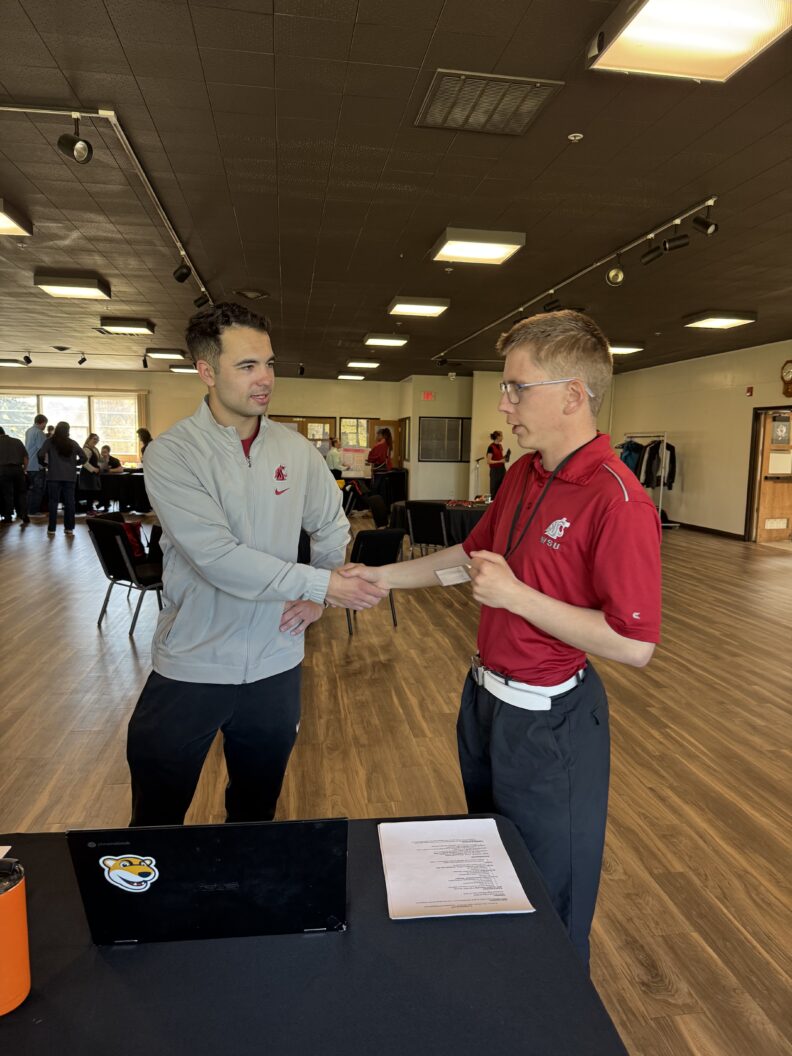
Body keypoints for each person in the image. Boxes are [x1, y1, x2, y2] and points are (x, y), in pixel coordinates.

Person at [340, 310, 662, 968]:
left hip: (549, 730)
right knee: (497, 869)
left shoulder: (617, 501)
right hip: (485, 704)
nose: (503, 402)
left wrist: (517, 596)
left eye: (517, 388)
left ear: (574, 394)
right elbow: (468, 557)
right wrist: (378, 577)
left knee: (552, 899)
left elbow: (635, 644)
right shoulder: (526, 474)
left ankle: (555, 1016)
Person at [126, 302, 387, 828]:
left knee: (256, 815)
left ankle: (243, 906)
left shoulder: (296, 450)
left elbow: (333, 527)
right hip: (192, 666)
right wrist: (325, 583)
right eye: (247, 366)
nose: (265, 378)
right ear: (207, 371)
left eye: (269, 363)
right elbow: (218, 559)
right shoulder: (173, 455)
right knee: (155, 821)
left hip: (275, 664)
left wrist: (316, 598)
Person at [37, 421, 86, 536]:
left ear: (57, 429)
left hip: (53, 476)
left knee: (53, 502)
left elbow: (40, 454)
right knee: (70, 502)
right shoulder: (73, 443)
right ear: (68, 431)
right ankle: (69, 528)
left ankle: (51, 528)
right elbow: (84, 457)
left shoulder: (49, 442)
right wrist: (76, 463)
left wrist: (45, 464)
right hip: (70, 477)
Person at [0, 426, 29, 525]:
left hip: (3, 470)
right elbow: (25, 457)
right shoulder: (17, 441)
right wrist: (24, 470)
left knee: (7, 494)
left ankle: (8, 516)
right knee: (21, 493)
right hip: (18, 469)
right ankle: (24, 514)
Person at [24, 413, 48, 515]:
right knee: (38, 490)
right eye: (45, 424)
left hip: (29, 465)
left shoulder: (28, 431)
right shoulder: (39, 433)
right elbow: (43, 450)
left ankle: (29, 510)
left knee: (31, 489)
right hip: (37, 466)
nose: (45, 427)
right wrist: (47, 463)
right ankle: (33, 511)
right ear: (41, 423)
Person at [79, 433, 102, 511]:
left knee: (92, 492)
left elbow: (99, 460)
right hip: (87, 474)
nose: (96, 441)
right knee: (89, 492)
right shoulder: (86, 449)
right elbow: (84, 462)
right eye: (94, 439)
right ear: (89, 439)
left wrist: (102, 464)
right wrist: (94, 469)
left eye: (97, 439)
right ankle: (89, 509)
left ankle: (91, 508)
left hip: (93, 474)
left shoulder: (95, 449)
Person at [486, 430, 508, 499]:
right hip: (495, 471)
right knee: (494, 489)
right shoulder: (491, 447)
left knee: (502, 488)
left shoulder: (500, 446)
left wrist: (505, 458)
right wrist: (500, 461)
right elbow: (489, 461)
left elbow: (499, 457)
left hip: (502, 469)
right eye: (501, 436)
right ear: (498, 437)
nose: (502, 437)